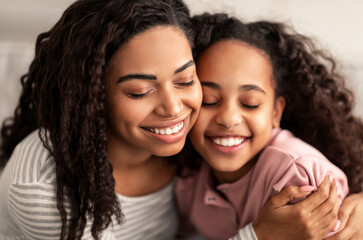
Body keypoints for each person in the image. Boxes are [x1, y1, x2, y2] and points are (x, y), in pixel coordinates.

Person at [0, 0, 358, 239]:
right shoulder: (44, 192)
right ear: (91, 97)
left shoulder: (195, 150)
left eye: (187, 81)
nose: (174, 108)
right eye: (140, 91)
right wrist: (259, 235)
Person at [175, 13, 363, 240]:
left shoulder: (296, 175)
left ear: (276, 112)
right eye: (209, 100)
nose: (228, 118)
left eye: (250, 104)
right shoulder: (188, 182)